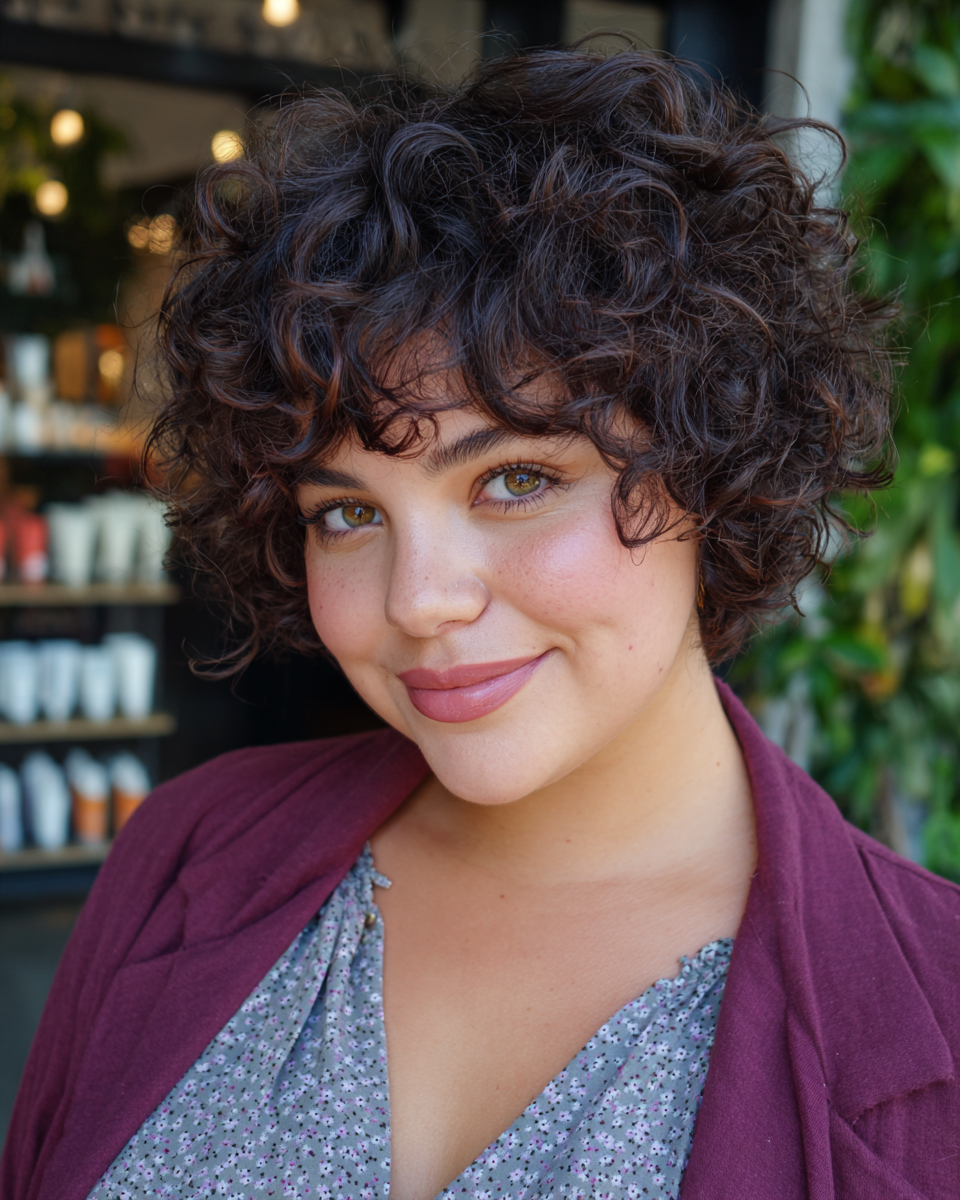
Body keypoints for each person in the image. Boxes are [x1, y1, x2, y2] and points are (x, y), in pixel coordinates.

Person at [3, 48, 959, 1200]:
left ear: (715, 466)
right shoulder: (182, 858)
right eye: (348, 512)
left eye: (514, 482)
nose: (420, 600)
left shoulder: (934, 1019)